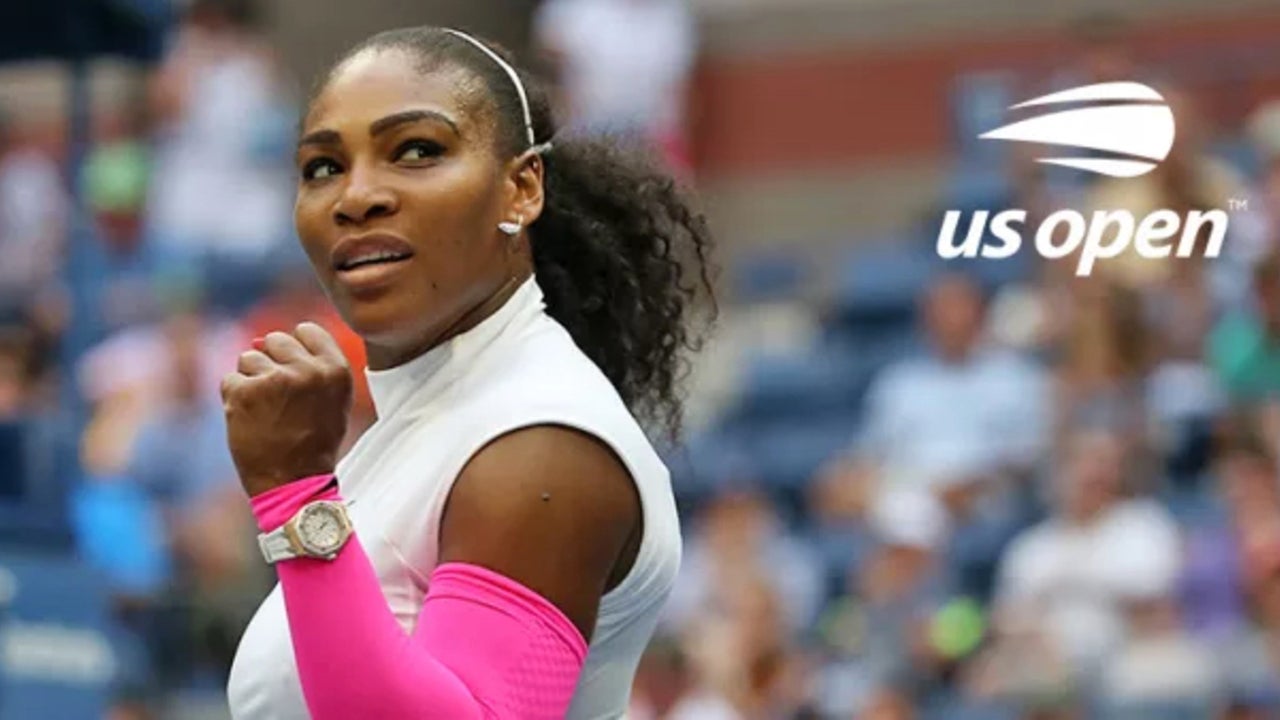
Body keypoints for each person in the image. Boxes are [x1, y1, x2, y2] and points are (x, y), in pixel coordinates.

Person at [223, 25, 713, 720]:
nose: (356, 197)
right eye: (323, 167)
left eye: (417, 151)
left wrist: (297, 497)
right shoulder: (440, 422)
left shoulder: (542, 445)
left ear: (521, 188)